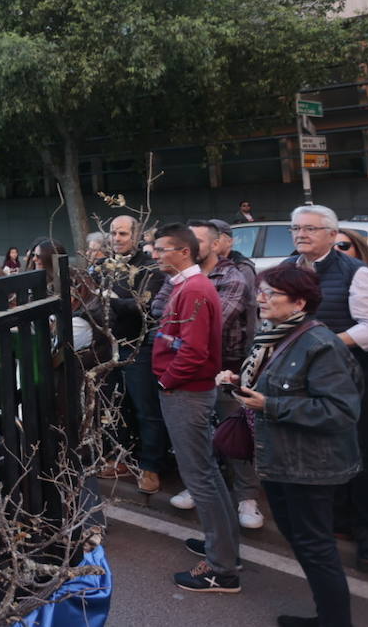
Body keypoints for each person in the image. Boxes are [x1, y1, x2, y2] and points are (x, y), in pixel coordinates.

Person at [216, 264, 362, 627]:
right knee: (302, 542)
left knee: (315, 546)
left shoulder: (318, 343)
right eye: (259, 291)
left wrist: (271, 405)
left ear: (299, 302)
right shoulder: (274, 335)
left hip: (309, 465)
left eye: (270, 294)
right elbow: (275, 384)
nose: (260, 299)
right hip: (280, 459)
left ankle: (334, 621)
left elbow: (341, 409)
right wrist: (237, 382)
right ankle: (327, 616)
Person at [281, 205, 368, 566]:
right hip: (302, 377)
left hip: (351, 377)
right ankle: (332, 522)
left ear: (332, 233)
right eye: (296, 228)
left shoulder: (355, 272)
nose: (301, 234)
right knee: (314, 452)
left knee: (359, 449)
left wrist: (325, 343)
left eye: (310, 228)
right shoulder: (287, 269)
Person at [150, 223, 239, 593]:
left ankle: (222, 568)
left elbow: (195, 349)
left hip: (186, 392)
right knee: (205, 473)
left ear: (183, 252)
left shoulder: (196, 289)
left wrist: (166, 381)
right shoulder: (189, 286)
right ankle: (223, 547)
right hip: (185, 389)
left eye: (161, 249)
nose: (155, 256)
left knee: (199, 475)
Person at [172, 220, 264, 528]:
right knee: (198, 431)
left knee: (235, 430)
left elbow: (208, 324)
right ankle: (200, 488)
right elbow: (160, 315)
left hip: (229, 367)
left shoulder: (233, 276)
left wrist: (176, 329)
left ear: (215, 244)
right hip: (190, 366)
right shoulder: (177, 276)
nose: (191, 246)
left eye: (197, 240)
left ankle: (247, 498)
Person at [93, 215, 168, 494]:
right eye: (113, 232)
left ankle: (151, 466)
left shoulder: (150, 269)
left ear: (137, 236)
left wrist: (110, 300)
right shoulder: (103, 266)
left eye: (123, 233)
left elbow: (145, 307)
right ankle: (121, 457)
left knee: (146, 409)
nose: (117, 238)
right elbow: (90, 299)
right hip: (108, 346)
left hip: (138, 346)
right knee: (115, 406)